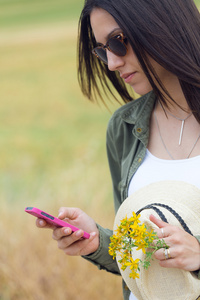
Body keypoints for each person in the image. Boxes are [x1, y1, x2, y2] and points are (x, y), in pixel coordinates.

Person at [36, 0, 200, 299]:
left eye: (118, 42)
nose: (112, 63)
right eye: (102, 50)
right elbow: (141, 260)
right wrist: (99, 243)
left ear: (162, 23)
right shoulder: (124, 127)